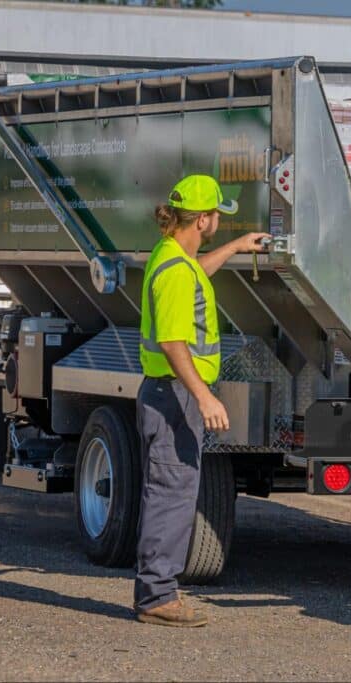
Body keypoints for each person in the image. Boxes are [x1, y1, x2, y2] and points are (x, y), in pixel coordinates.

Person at [133, 174, 270, 627]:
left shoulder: (174, 256)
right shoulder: (175, 271)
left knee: (172, 489)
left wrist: (235, 249)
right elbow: (174, 343)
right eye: (217, 216)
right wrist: (204, 396)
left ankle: (157, 591)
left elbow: (197, 273)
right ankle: (157, 596)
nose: (219, 222)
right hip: (175, 397)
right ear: (204, 220)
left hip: (169, 395)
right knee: (172, 495)